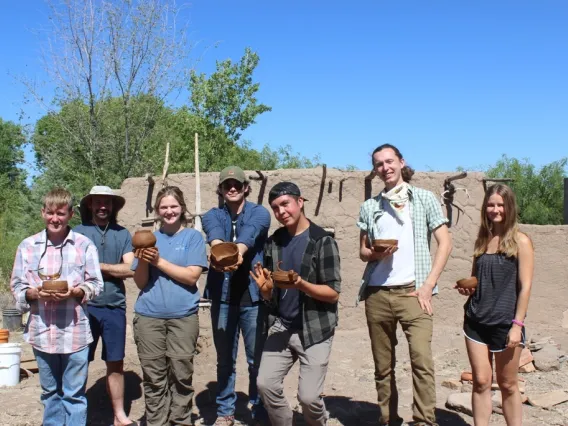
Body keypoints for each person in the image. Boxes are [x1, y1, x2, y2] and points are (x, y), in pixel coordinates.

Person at [357, 144, 452, 426]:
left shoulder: (423, 199)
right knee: (383, 367)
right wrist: (376, 253)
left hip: (414, 292)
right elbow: (362, 251)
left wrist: (428, 285)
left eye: (389, 161)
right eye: (378, 164)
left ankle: (424, 421)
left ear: (401, 162)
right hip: (377, 293)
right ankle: (388, 419)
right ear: (375, 170)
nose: (385, 168)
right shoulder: (370, 206)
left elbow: (445, 243)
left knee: (422, 362)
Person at [10, 187, 103, 426]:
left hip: (75, 333)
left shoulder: (84, 245)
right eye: (50, 212)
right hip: (42, 332)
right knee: (50, 394)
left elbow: (96, 284)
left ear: (70, 214)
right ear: (42, 213)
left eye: (60, 213)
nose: (55, 218)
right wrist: (33, 293)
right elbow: (17, 286)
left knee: (74, 395)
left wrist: (78, 292)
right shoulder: (28, 247)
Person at [251, 181, 341, 426]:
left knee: (309, 397)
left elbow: (333, 293)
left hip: (315, 328)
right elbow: (272, 292)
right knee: (265, 384)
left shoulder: (322, 241)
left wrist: (301, 284)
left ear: (300, 202)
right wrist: (266, 290)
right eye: (275, 208)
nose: (281, 212)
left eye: (285, 204)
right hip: (283, 325)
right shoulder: (275, 242)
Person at [456, 184, 533, 426]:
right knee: (480, 381)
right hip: (476, 321)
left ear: (509, 207)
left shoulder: (521, 242)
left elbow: (526, 286)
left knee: (508, 384)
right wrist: (468, 288)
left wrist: (517, 325)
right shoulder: (482, 240)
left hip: (505, 323)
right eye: (491, 204)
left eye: (500, 205)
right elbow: (477, 280)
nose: (495, 209)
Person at [131, 186, 208, 426]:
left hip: (183, 317)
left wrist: (158, 261)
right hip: (148, 317)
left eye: (174, 206)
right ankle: (157, 422)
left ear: (182, 208)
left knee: (181, 376)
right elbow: (141, 282)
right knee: (154, 378)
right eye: (164, 207)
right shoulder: (149, 239)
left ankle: (181, 421)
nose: (169, 211)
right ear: (157, 211)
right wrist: (143, 261)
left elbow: (191, 277)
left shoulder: (193, 237)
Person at [202, 165, 271, 426]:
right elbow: (215, 238)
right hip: (223, 297)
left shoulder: (260, 213)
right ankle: (225, 410)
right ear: (220, 189)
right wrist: (220, 252)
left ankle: (258, 405)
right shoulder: (211, 215)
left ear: (245, 188)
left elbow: (249, 235)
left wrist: (238, 253)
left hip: (252, 297)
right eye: (227, 184)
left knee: (256, 358)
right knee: (225, 360)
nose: (232, 188)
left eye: (237, 184)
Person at [74, 186, 136, 426]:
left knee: (116, 362)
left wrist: (97, 267)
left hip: (114, 306)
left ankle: (119, 415)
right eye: (98, 202)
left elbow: (129, 269)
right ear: (90, 204)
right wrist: (113, 268)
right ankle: (77, 413)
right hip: (82, 307)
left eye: (107, 203)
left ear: (113, 206)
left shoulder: (122, 234)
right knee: (79, 360)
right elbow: (73, 269)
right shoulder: (77, 233)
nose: (102, 206)